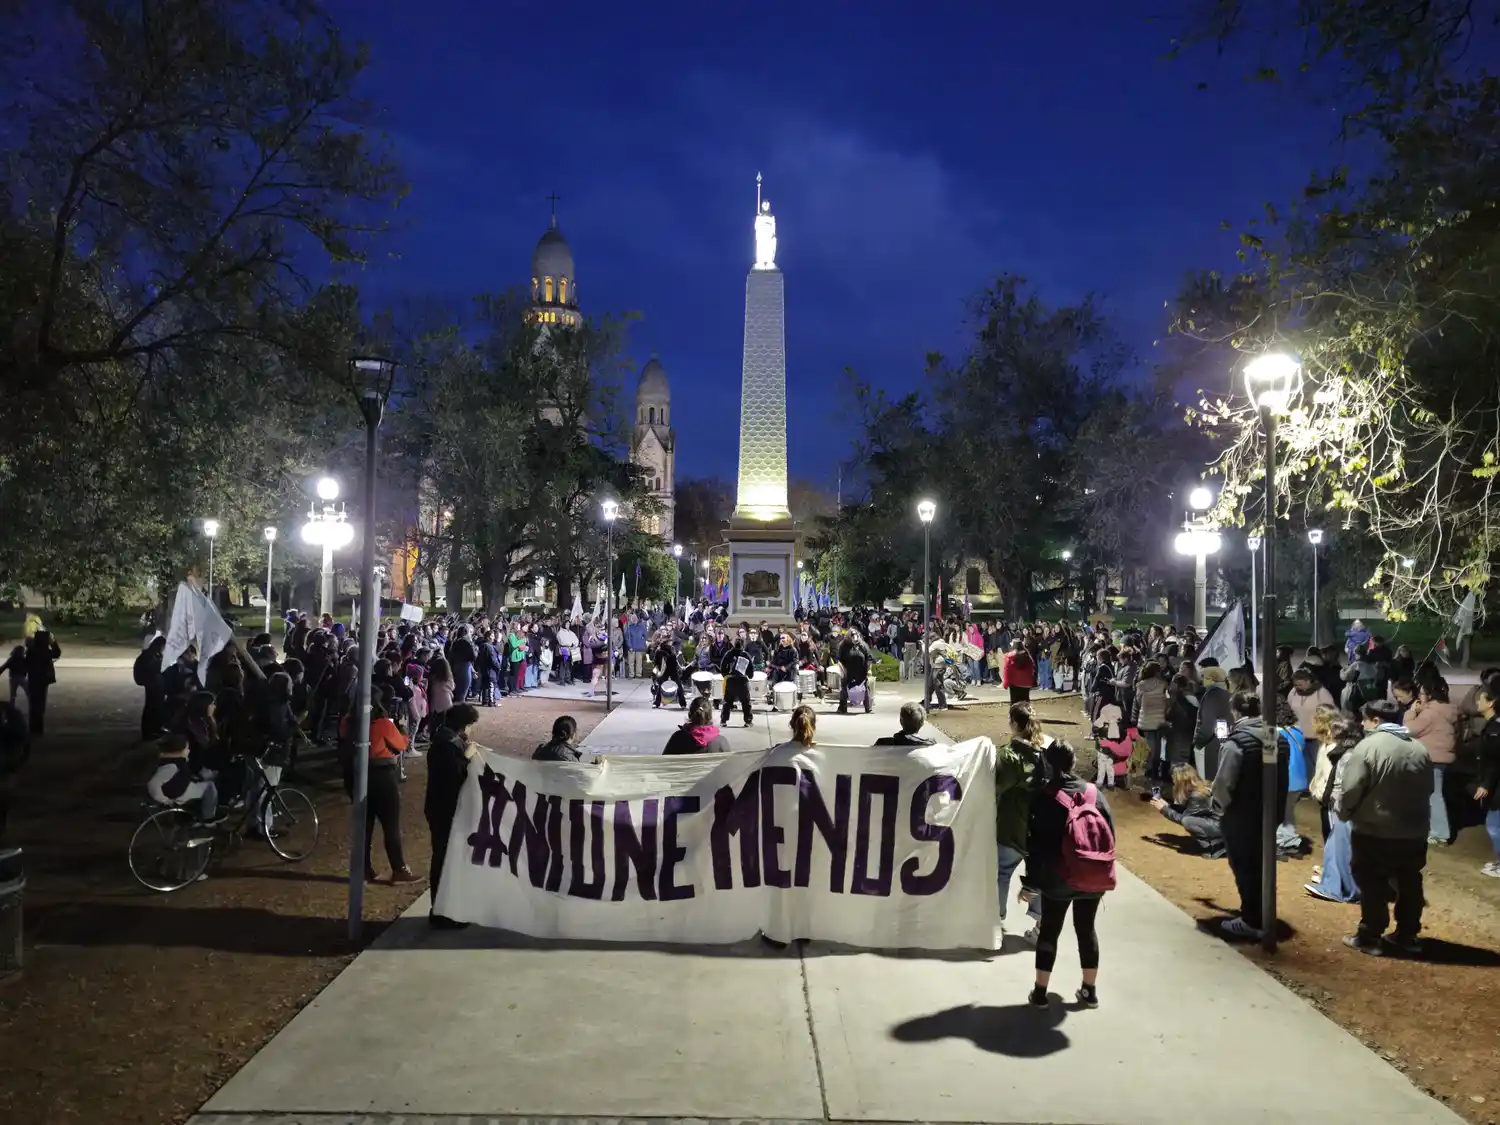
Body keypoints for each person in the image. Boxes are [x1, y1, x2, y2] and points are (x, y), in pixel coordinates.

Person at [1022, 740, 1114, 1010]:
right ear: (1073, 763)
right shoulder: (1094, 793)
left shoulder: (1044, 797)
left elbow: (1036, 846)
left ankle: (1040, 992)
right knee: (1086, 929)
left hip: (1057, 877)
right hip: (1091, 874)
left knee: (1050, 930)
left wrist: (1031, 883)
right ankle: (1089, 991)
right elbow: (1109, 833)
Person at [1338, 699, 1433, 955]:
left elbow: (1351, 788)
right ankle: (1407, 934)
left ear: (1376, 720)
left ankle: (1370, 935)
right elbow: (1429, 788)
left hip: (1376, 828)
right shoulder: (1419, 748)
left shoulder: (1368, 747)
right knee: (1409, 881)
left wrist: (1345, 812)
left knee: (1372, 882)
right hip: (1414, 829)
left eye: (1365, 719)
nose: (1362, 724)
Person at [1212, 691, 1290, 941]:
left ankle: (1251, 919)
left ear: (1236, 712)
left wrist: (1219, 807)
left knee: (1245, 865)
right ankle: (1262, 911)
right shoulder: (1275, 737)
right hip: (1269, 811)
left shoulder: (1236, 742)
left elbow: (1224, 783)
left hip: (1242, 815)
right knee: (1262, 863)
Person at [343, 697, 420, 885]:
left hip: (355, 776)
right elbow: (400, 745)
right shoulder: (383, 724)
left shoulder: (348, 722)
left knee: (364, 826)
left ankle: (363, 870)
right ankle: (399, 869)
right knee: (390, 824)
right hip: (381, 776)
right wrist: (402, 730)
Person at [426, 703, 480, 929]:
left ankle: (444, 909)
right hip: (446, 810)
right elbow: (454, 776)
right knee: (446, 860)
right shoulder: (446, 746)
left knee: (446, 858)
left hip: (442, 809)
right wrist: (467, 757)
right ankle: (443, 913)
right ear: (464, 725)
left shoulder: (445, 741)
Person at [996, 702, 1048, 939]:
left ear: (1014, 724)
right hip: (1040, 828)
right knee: (1038, 874)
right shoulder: (1045, 754)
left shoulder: (1009, 756)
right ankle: (1041, 928)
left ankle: (995, 919)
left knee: (1001, 872)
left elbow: (997, 787)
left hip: (1012, 825)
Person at [1305, 706, 1362, 902]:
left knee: (1338, 845)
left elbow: (1340, 783)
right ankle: (1335, 882)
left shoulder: (1344, 755)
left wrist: (1325, 796)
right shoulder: (1351, 752)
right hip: (1342, 804)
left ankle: (1337, 887)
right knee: (1337, 844)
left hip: (1339, 804)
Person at [1402, 678, 1458, 846]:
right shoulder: (1448, 710)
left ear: (1429, 695)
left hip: (1431, 757)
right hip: (1442, 757)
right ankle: (1434, 829)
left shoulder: (1430, 713)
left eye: (1421, 693)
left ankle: (1440, 833)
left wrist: (1411, 712)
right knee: (1432, 794)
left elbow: (1407, 730)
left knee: (1433, 795)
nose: (1419, 696)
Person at [146, 731, 223, 825]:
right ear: (179, 751)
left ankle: (199, 811)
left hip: (181, 786)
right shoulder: (171, 766)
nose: (189, 751)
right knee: (209, 787)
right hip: (180, 793)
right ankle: (208, 818)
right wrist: (164, 800)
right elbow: (153, 784)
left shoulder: (172, 761)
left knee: (208, 779)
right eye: (187, 748)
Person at [1150, 763, 1224, 856]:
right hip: (1225, 825)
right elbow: (1192, 810)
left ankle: (1213, 848)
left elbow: (1183, 819)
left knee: (1188, 821)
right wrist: (1168, 806)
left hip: (1221, 828)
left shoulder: (1196, 795)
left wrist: (1163, 809)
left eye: (1175, 780)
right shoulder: (1203, 786)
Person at [1473, 687, 1500, 878]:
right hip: (1494, 784)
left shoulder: (1495, 729)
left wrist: (1486, 784)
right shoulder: (1491, 726)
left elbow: (1495, 760)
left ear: (1490, 703)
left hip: (1497, 786)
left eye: (1481, 699)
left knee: (1494, 825)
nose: (1477, 702)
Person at [22, 629, 60, 735]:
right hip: (43, 680)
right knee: (40, 704)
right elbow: (57, 653)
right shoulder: (46, 651)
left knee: (33, 704)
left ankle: (33, 728)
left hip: (33, 679)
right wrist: (53, 642)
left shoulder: (32, 651)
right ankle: (38, 728)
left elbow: (25, 663)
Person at [663, 695, 730, 754]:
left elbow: (665, 761)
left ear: (689, 715)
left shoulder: (677, 738)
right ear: (710, 716)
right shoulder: (721, 741)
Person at [133, 635, 169, 741]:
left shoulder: (154, 654)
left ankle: (155, 729)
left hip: (154, 685)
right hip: (153, 685)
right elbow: (153, 669)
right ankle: (149, 731)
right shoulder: (150, 656)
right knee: (152, 707)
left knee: (155, 707)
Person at [719, 635, 755, 728]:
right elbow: (751, 669)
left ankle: (723, 720)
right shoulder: (746, 655)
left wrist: (725, 675)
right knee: (746, 702)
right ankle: (748, 721)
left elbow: (722, 666)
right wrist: (750, 676)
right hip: (742, 681)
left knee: (727, 701)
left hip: (731, 680)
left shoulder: (728, 654)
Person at [836, 630, 873, 714]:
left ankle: (868, 707)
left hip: (861, 671)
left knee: (866, 688)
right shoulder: (843, 646)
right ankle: (842, 708)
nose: (854, 638)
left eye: (856, 635)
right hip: (848, 671)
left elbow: (869, 658)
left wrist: (869, 669)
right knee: (844, 688)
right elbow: (839, 660)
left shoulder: (863, 645)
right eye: (852, 636)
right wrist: (842, 671)